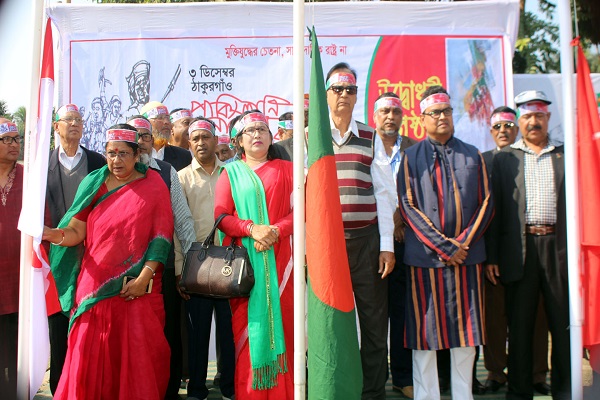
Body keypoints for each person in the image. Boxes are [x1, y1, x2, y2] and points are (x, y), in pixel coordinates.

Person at [43, 124, 174, 400]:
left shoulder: (154, 185)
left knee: (135, 360)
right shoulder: (93, 182)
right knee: (86, 355)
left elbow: (161, 238)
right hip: (93, 287)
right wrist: (51, 234)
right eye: (111, 153)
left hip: (134, 289)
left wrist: (143, 279)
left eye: (123, 153)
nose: (116, 160)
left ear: (137, 155)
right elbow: (76, 231)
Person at [398, 85, 493, 400]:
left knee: (466, 335)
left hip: (467, 259)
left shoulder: (473, 154)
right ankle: (427, 396)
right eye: (435, 112)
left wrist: (461, 244)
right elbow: (408, 206)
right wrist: (445, 247)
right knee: (424, 336)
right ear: (422, 118)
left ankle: (464, 395)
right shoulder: (410, 157)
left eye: (447, 111)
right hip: (425, 261)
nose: (442, 117)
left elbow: (486, 202)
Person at [488, 90, 570, 399]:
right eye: (527, 117)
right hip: (519, 251)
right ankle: (519, 391)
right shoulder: (506, 159)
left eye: (539, 116)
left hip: (558, 249)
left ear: (548, 118)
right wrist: (492, 256)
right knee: (519, 325)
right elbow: (495, 211)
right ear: (519, 122)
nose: (533, 122)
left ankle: (565, 389)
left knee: (561, 323)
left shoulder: (565, 155)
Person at [324, 62, 396, 399]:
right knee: (327, 323)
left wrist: (387, 246)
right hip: (328, 246)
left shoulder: (371, 136)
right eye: (337, 89)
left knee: (373, 323)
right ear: (326, 94)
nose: (343, 94)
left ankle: (373, 392)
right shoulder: (311, 136)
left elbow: (384, 193)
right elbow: (303, 195)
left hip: (367, 243)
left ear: (356, 95)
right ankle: (334, 388)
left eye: (350, 89)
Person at [214, 110, 294, 398]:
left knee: (286, 330)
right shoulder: (230, 173)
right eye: (250, 130)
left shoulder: (289, 170)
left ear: (272, 138)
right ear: (238, 141)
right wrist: (252, 230)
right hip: (245, 270)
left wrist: (274, 231)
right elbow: (221, 217)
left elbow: (302, 209)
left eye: (262, 129)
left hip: (283, 265)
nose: (257, 134)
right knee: (250, 334)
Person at [482, 106, 550, 395]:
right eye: (498, 126)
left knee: (537, 314)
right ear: (490, 131)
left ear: (517, 128)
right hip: (494, 253)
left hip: (529, 251)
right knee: (495, 316)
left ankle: (537, 373)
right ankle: (496, 372)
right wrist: (490, 254)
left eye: (508, 125)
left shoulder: (530, 158)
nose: (503, 131)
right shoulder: (483, 160)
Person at [128, 114, 196, 400]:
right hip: (127, 268)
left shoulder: (166, 171)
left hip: (163, 266)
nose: (142, 142)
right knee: (132, 332)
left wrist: (190, 264)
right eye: (136, 136)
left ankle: (168, 389)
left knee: (167, 332)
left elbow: (182, 219)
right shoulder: (114, 172)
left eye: (146, 136)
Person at [45, 103, 106, 395]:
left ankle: (87, 384)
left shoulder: (97, 162)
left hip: (92, 254)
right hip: (54, 253)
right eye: (68, 119)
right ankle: (59, 386)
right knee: (58, 324)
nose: (74, 124)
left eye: (79, 120)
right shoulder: (41, 165)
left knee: (89, 322)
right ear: (56, 126)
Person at [176, 117, 235, 400]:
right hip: (197, 265)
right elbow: (176, 227)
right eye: (195, 138)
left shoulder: (232, 173)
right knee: (198, 333)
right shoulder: (181, 178)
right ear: (189, 143)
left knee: (229, 331)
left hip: (230, 263)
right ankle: (197, 388)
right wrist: (179, 270)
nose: (201, 143)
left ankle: (230, 386)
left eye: (206, 137)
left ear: (215, 140)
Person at [371, 93, 417, 399]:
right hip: (372, 242)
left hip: (408, 243)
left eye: (395, 111)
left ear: (402, 116)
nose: (390, 116)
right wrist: (391, 223)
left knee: (402, 313)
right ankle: (374, 378)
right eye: (385, 111)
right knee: (373, 314)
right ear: (375, 116)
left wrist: (401, 219)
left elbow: (423, 191)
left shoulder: (415, 148)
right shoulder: (365, 144)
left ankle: (402, 377)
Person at [0, 119, 23, 400]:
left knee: (19, 346)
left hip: (21, 279)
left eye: (16, 139)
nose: (14, 144)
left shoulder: (29, 178)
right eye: (6, 139)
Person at [141, 101, 192, 171]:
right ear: (146, 123)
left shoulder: (184, 156)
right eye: (160, 118)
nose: (166, 122)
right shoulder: (137, 153)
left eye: (168, 118)